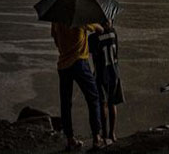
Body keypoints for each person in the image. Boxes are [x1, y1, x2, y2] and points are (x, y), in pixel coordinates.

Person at [51, 22, 105, 151]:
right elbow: (100, 29)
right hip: (80, 62)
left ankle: (70, 139)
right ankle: (97, 138)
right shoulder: (80, 16)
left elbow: (55, 39)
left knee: (66, 103)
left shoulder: (56, 19)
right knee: (93, 98)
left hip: (63, 65)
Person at [88, 19, 124, 144]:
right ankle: (112, 134)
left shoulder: (93, 37)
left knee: (102, 104)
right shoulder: (114, 32)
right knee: (112, 103)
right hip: (114, 72)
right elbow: (116, 53)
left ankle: (104, 134)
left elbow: (91, 54)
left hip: (101, 74)